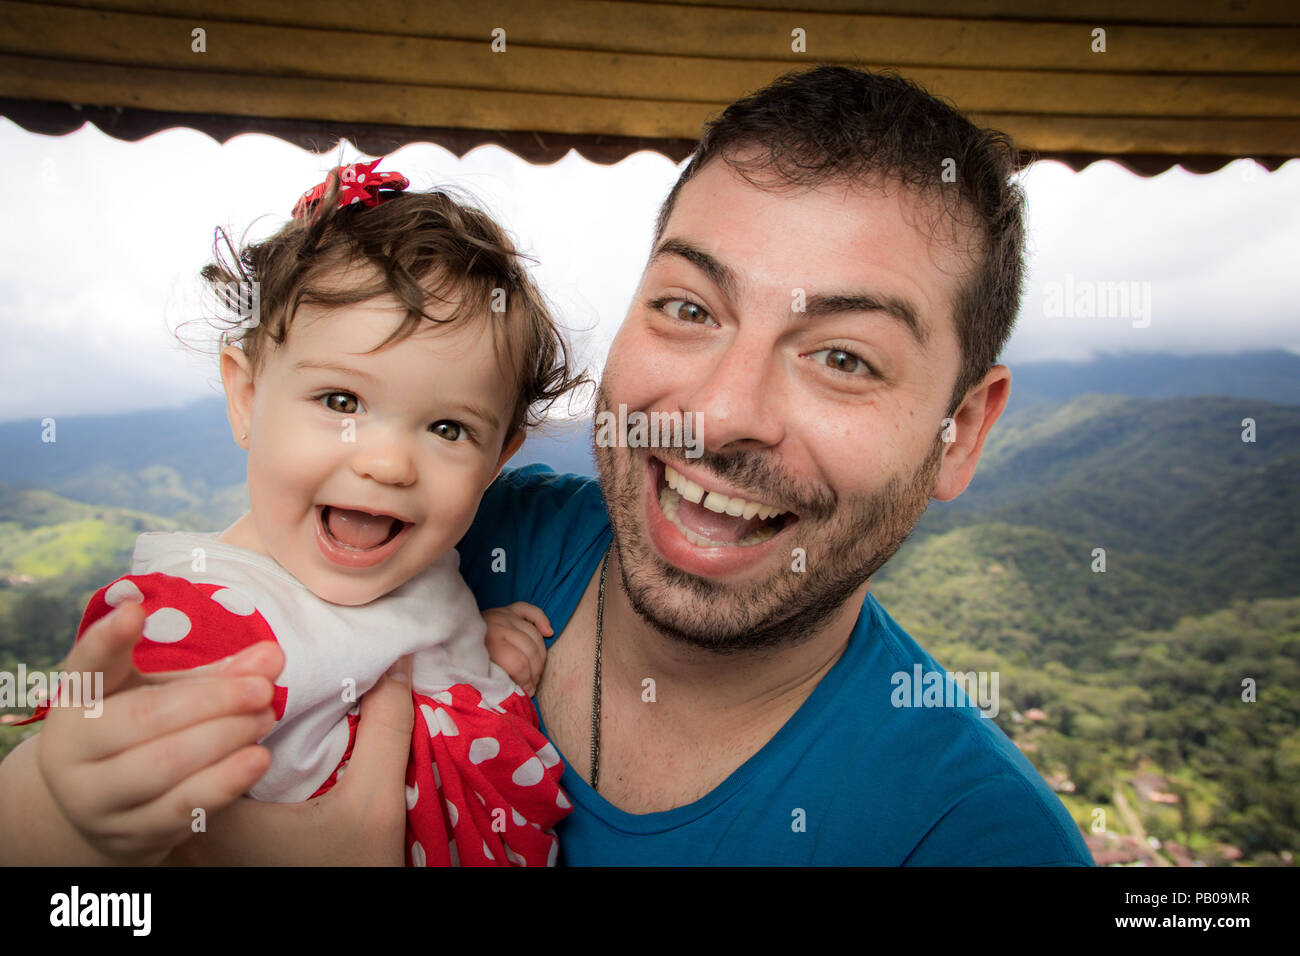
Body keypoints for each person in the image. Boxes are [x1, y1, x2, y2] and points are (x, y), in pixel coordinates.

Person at [1, 65, 1093, 865]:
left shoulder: (971, 841)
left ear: (961, 431)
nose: (716, 415)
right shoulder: (466, 532)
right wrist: (55, 812)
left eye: (844, 356)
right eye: (687, 306)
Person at [0, 159, 586, 866]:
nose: (388, 464)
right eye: (341, 402)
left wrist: (460, 649)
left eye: (448, 429)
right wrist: (67, 812)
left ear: (497, 460)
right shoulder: (199, 638)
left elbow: (367, 641)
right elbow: (81, 801)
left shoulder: (424, 577)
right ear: (246, 397)